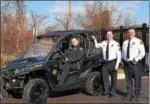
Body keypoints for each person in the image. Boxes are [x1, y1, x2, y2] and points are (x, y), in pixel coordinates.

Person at [92, 31, 121, 97]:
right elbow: (96, 46)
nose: (109, 35)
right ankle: (106, 91)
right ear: (106, 36)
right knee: (105, 78)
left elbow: (119, 55)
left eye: (110, 34)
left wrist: (117, 64)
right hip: (105, 63)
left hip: (113, 62)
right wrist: (94, 39)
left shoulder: (116, 44)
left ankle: (113, 92)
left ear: (112, 35)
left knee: (114, 79)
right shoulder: (103, 42)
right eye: (108, 34)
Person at [122, 29, 145, 102]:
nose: (130, 33)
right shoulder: (125, 42)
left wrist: (136, 59)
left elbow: (142, 53)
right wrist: (122, 60)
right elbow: (123, 53)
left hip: (135, 64)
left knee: (137, 80)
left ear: (134, 33)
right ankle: (129, 94)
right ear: (127, 33)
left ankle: (136, 95)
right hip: (126, 64)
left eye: (132, 32)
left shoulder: (139, 41)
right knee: (128, 81)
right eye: (129, 32)